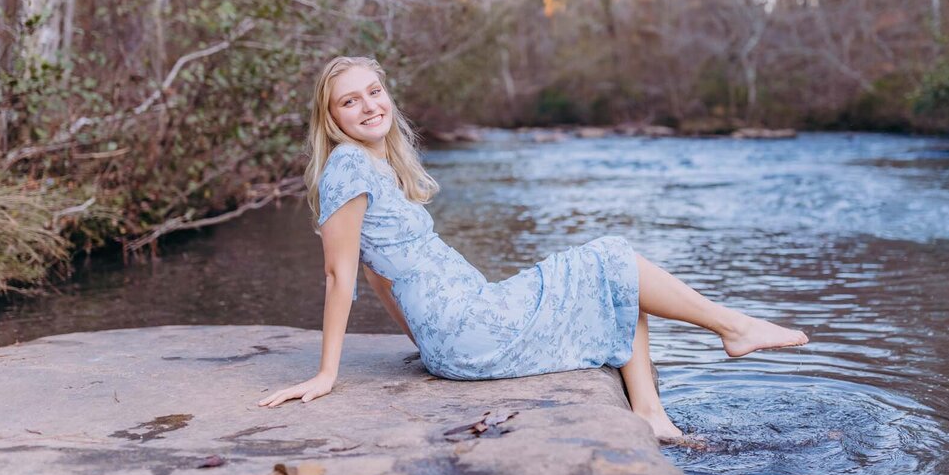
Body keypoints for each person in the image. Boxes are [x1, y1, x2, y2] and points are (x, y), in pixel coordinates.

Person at [258, 56, 809, 440]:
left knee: (616, 278)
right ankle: (731, 328)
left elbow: (384, 276)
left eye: (374, 92)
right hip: (468, 326)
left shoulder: (373, 164)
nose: (368, 106)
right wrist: (328, 374)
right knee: (612, 259)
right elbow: (342, 276)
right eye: (349, 101)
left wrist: (424, 345)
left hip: (462, 321)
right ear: (331, 119)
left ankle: (650, 415)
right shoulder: (348, 168)